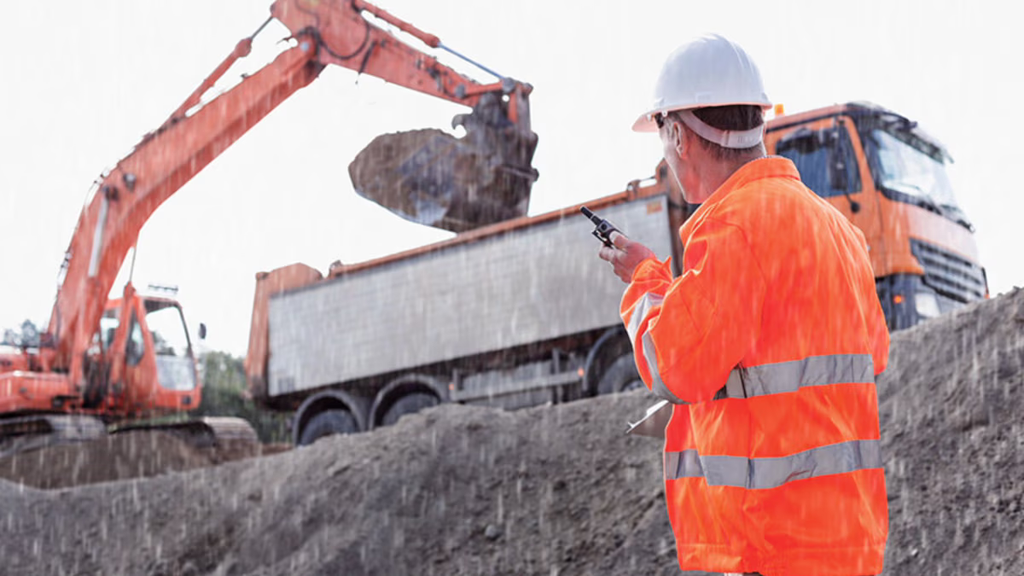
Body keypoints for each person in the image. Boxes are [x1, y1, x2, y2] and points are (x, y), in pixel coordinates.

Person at [597, 34, 890, 576]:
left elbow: (675, 367)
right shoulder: (838, 230)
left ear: (679, 136)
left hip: (771, 546)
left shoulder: (733, 227)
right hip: (847, 543)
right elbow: (869, 356)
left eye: (663, 140)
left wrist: (645, 278)